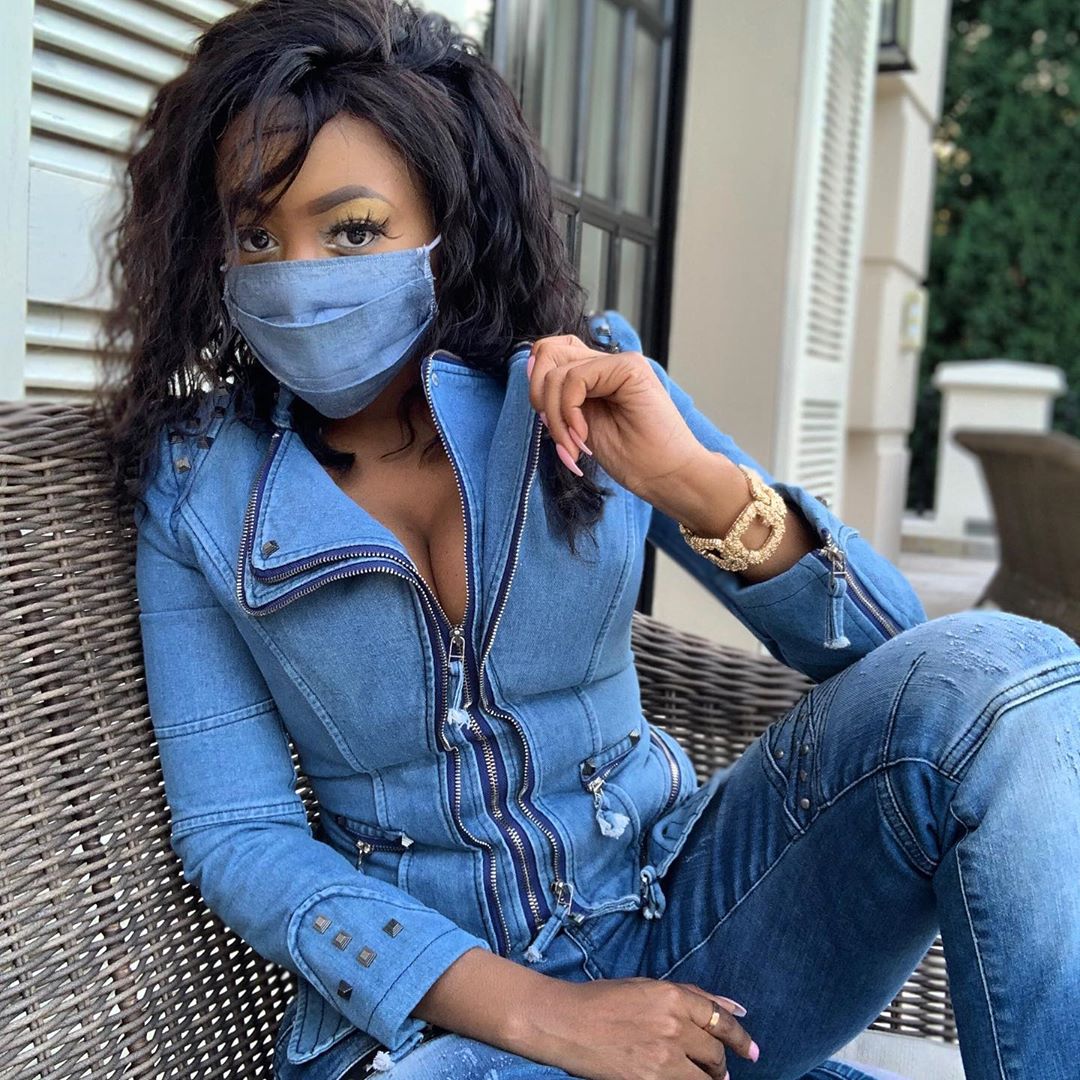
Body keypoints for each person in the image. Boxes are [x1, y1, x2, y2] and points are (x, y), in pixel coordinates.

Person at [93, 2, 1080, 1078]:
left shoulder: (583, 381)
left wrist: (689, 482)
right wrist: (546, 1015)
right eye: (256, 237)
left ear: (450, 221)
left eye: (355, 230)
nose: (296, 273)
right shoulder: (197, 483)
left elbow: (903, 662)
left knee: (1013, 670)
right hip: (443, 1028)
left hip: (695, 929)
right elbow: (239, 832)